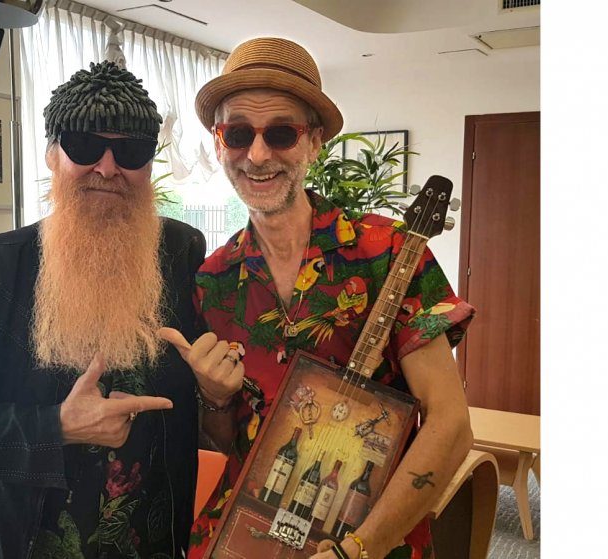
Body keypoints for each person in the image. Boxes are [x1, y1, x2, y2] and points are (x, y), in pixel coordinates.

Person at [161, 37, 476, 559]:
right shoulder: (212, 280)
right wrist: (214, 398)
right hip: (246, 534)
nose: (257, 155)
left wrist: (358, 549)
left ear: (314, 143)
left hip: (367, 536)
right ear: (218, 145)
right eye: (237, 133)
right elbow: (221, 439)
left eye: (281, 133)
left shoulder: (390, 253)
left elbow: (451, 424)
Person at [0, 60, 208, 559]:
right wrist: (57, 427)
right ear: (52, 154)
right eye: (85, 146)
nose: (108, 168)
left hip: (157, 542)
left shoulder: (180, 251)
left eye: (131, 151)